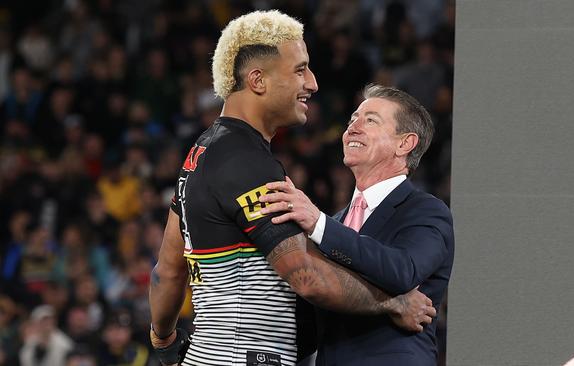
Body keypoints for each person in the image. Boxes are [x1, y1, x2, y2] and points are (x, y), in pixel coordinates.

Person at [148, 11, 436, 366]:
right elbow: (306, 277)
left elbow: (168, 270)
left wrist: (163, 339)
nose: (313, 83)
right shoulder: (245, 162)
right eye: (300, 69)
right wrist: (393, 303)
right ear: (258, 80)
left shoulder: (201, 155)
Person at [259, 84, 454, 365]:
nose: (353, 128)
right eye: (352, 120)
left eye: (370, 120)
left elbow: (402, 271)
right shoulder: (334, 223)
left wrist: (318, 223)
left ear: (404, 143)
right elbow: (310, 321)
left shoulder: (426, 211)